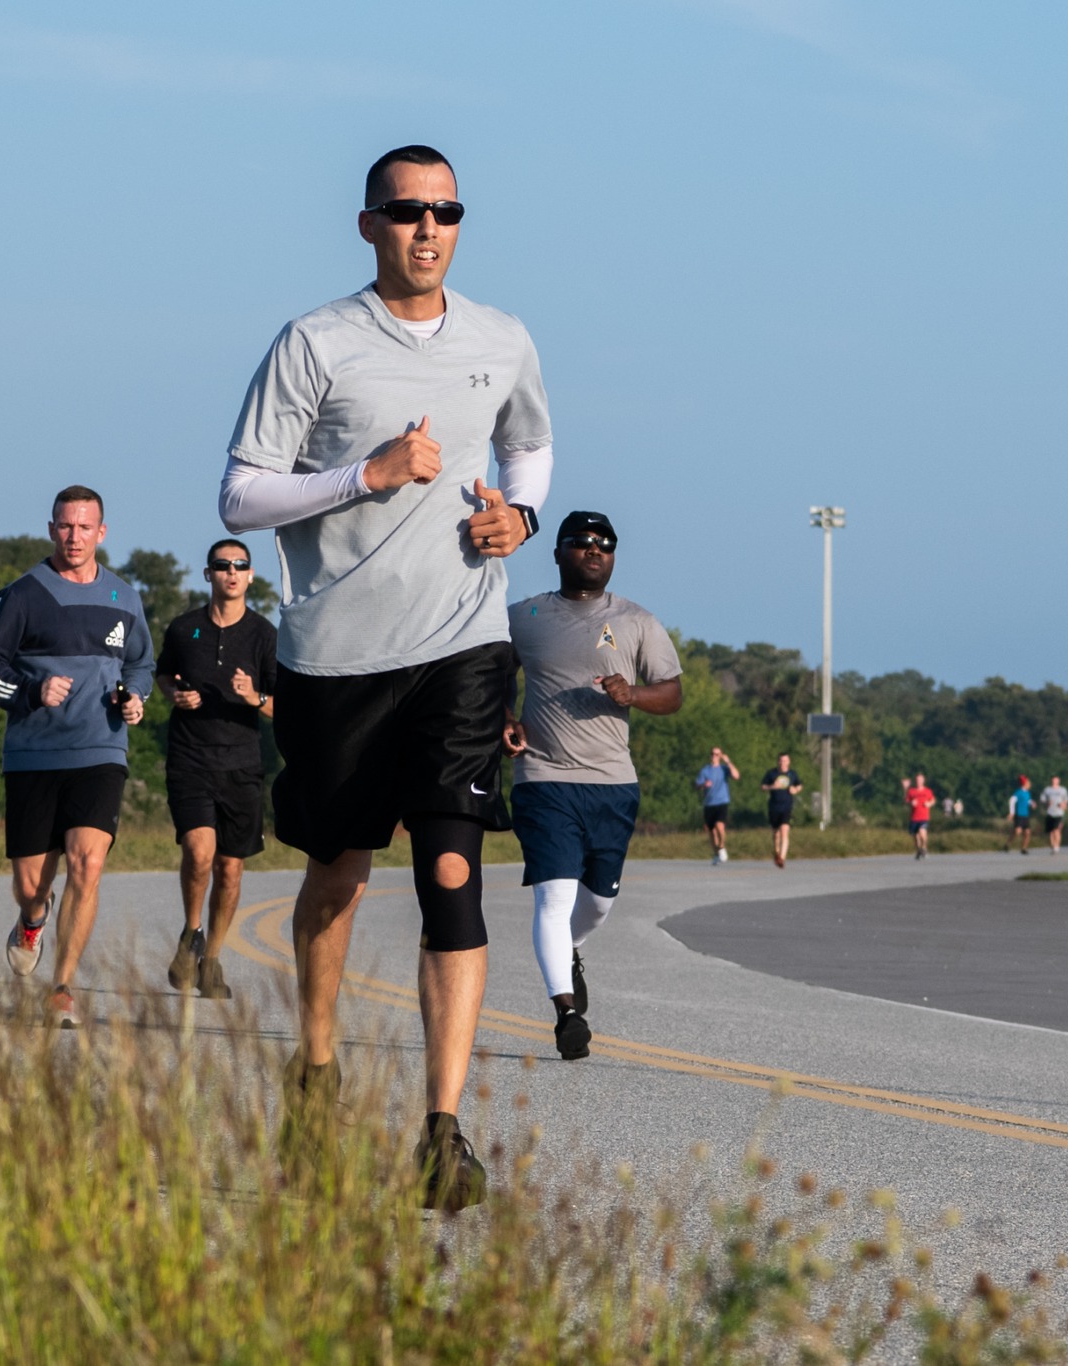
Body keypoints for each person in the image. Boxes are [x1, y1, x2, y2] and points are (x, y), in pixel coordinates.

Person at [215, 144, 553, 1211]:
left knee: (451, 871)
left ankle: (441, 1132)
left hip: (462, 642)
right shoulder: (315, 343)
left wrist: (521, 512)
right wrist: (365, 473)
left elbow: (530, 446)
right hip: (334, 659)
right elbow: (239, 497)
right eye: (405, 210)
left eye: (443, 210)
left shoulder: (501, 339)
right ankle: (314, 1070)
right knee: (338, 872)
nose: (425, 227)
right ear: (368, 224)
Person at [0, 486, 153, 1028]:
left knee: (87, 863)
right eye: (65, 526)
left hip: (101, 748)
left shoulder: (124, 597)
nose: (75, 537)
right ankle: (32, 921)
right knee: (33, 886)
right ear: (52, 529)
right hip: (33, 754)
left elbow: (141, 663)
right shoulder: (21, 595)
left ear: (103, 532)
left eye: (85, 527)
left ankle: (63, 986)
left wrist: (135, 696)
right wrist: (32, 692)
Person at [504, 510, 681, 1060]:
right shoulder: (524, 616)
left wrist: (634, 695)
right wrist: (502, 721)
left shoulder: (636, 621)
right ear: (558, 553)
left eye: (604, 543)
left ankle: (572, 949)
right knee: (553, 898)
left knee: (598, 903)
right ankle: (567, 1013)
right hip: (543, 778)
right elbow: (483, 678)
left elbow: (671, 694)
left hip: (612, 783)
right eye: (580, 542)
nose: (594, 550)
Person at [155, 537, 278, 1000]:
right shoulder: (183, 629)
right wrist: (174, 695)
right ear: (207, 574)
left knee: (230, 870)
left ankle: (213, 960)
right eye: (221, 565)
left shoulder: (265, 635)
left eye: (239, 565)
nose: (230, 572)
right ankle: (192, 933)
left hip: (242, 765)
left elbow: (282, 707)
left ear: (249, 575)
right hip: (190, 760)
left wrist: (254, 697)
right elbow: (164, 675)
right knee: (199, 851)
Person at [696, 747, 739, 864]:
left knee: (719, 826)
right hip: (709, 803)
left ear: (721, 756)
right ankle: (716, 854)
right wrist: (704, 784)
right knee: (712, 831)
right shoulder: (705, 770)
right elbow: (697, 785)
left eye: (717, 754)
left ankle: (722, 847)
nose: (714, 756)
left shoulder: (724, 769)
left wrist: (728, 762)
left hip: (722, 801)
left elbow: (736, 776)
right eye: (713, 754)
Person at [762, 755, 803, 867]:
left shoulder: (792, 774)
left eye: (785, 760)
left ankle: (782, 858)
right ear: (778, 761)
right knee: (776, 834)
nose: (782, 762)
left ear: (789, 762)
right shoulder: (772, 773)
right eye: (780, 760)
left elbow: (799, 786)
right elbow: (763, 786)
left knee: (784, 830)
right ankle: (777, 852)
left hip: (787, 806)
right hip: (774, 806)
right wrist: (772, 787)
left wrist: (795, 790)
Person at [900, 773, 936, 860]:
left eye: (920, 780)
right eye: (917, 780)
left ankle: (924, 848)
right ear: (915, 781)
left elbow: (933, 800)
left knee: (922, 833)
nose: (918, 782)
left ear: (923, 781)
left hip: (924, 817)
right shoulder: (911, 791)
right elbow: (906, 800)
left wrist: (929, 804)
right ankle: (919, 851)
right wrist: (911, 803)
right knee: (916, 837)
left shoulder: (928, 791)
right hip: (914, 817)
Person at [1041, 775, 1068, 854]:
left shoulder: (1063, 790)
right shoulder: (1047, 790)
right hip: (1050, 812)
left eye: (1056, 780)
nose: (1054, 781)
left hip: (1059, 813)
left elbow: (1066, 800)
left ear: (1059, 781)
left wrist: (1064, 805)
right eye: (1053, 779)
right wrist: (1047, 803)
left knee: (1057, 830)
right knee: (1051, 831)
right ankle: (1053, 845)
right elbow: (1042, 799)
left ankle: (1056, 846)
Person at [1006, 775, 1034, 854]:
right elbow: (1012, 801)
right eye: (1028, 782)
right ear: (1025, 783)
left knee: (1027, 833)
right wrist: (1012, 813)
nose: (1030, 784)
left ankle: (1024, 848)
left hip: (1026, 815)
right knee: (1018, 832)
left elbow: (1028, 801)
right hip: (1019, 814)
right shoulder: (1018, 792)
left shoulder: (1027, 793)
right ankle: (1008, 843)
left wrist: (1032, 803)